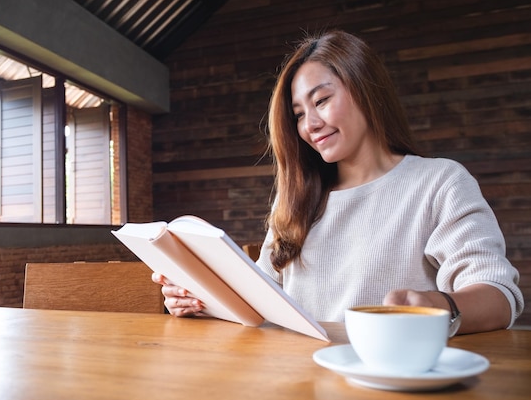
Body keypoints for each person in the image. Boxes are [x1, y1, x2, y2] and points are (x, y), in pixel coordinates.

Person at [152, 30, 524, 335]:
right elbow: (259, 306)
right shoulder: (296, 197)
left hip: (386, 382)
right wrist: (200, 300)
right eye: (298, 114)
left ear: (366, 89)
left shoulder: (438, 182)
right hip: (296, 381)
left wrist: (440, 307)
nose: (309, 125)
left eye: (323, 100)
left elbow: (499, 298)